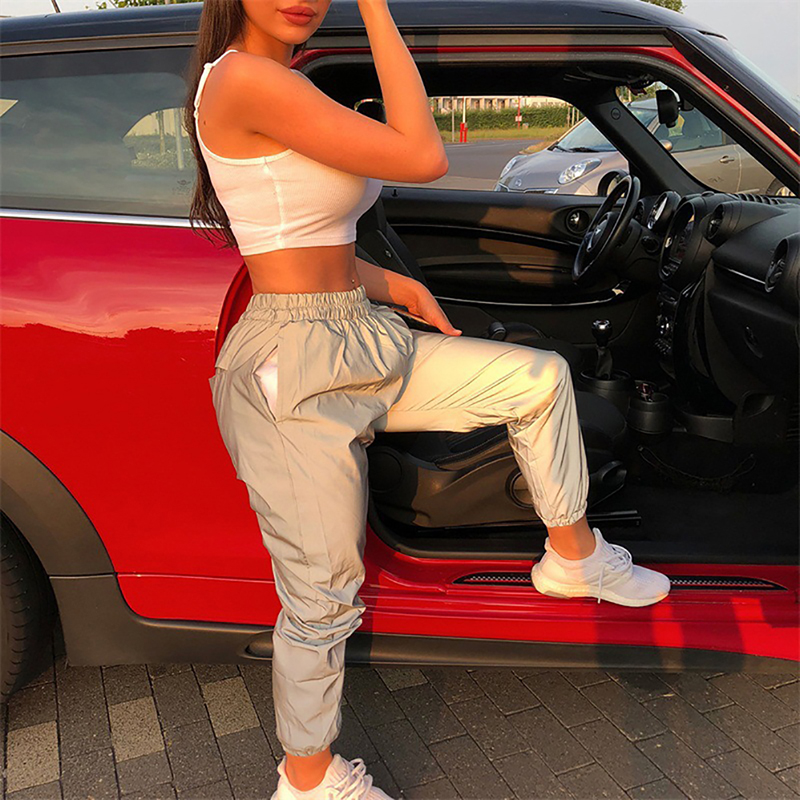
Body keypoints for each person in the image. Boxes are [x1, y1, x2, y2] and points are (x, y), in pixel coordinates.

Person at [185, 1, 672, 797]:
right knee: (322, 589)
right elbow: (423, 155)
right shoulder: (245, 80)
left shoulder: (280, 80)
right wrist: (377, 8)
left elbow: (289, 230)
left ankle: (573, 556)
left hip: (354, 329)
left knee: (537, 379)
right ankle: (307, 778)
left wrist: (392, 284)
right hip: (292, 364)